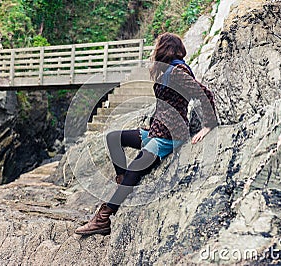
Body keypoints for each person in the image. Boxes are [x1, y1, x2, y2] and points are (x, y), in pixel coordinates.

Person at [74, 32, 217, 236]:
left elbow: (204, 94)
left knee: (136, 167)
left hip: (168, 136)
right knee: (113, 137)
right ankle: (123, 182)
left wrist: (208, 126)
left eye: (156, 45)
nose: (153, 48)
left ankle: (103, 218)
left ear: (164, 48)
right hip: (156, 130)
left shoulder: (177, 71)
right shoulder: (168, 70)